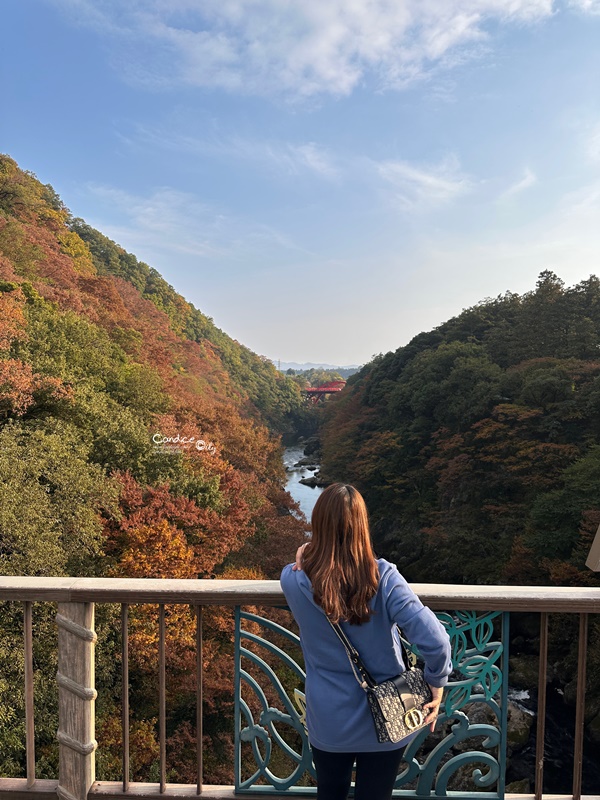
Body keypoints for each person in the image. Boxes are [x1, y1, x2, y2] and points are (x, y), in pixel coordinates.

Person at [280, 483, 452, 800]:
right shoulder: (384, 578)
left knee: (330, 795)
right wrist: (436, 683)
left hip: (328, 718)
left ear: (317, 525)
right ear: (362, 526)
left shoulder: (293, 579)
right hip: (387, 716)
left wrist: (306, 550)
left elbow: (310, 562)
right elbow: (437, 642)